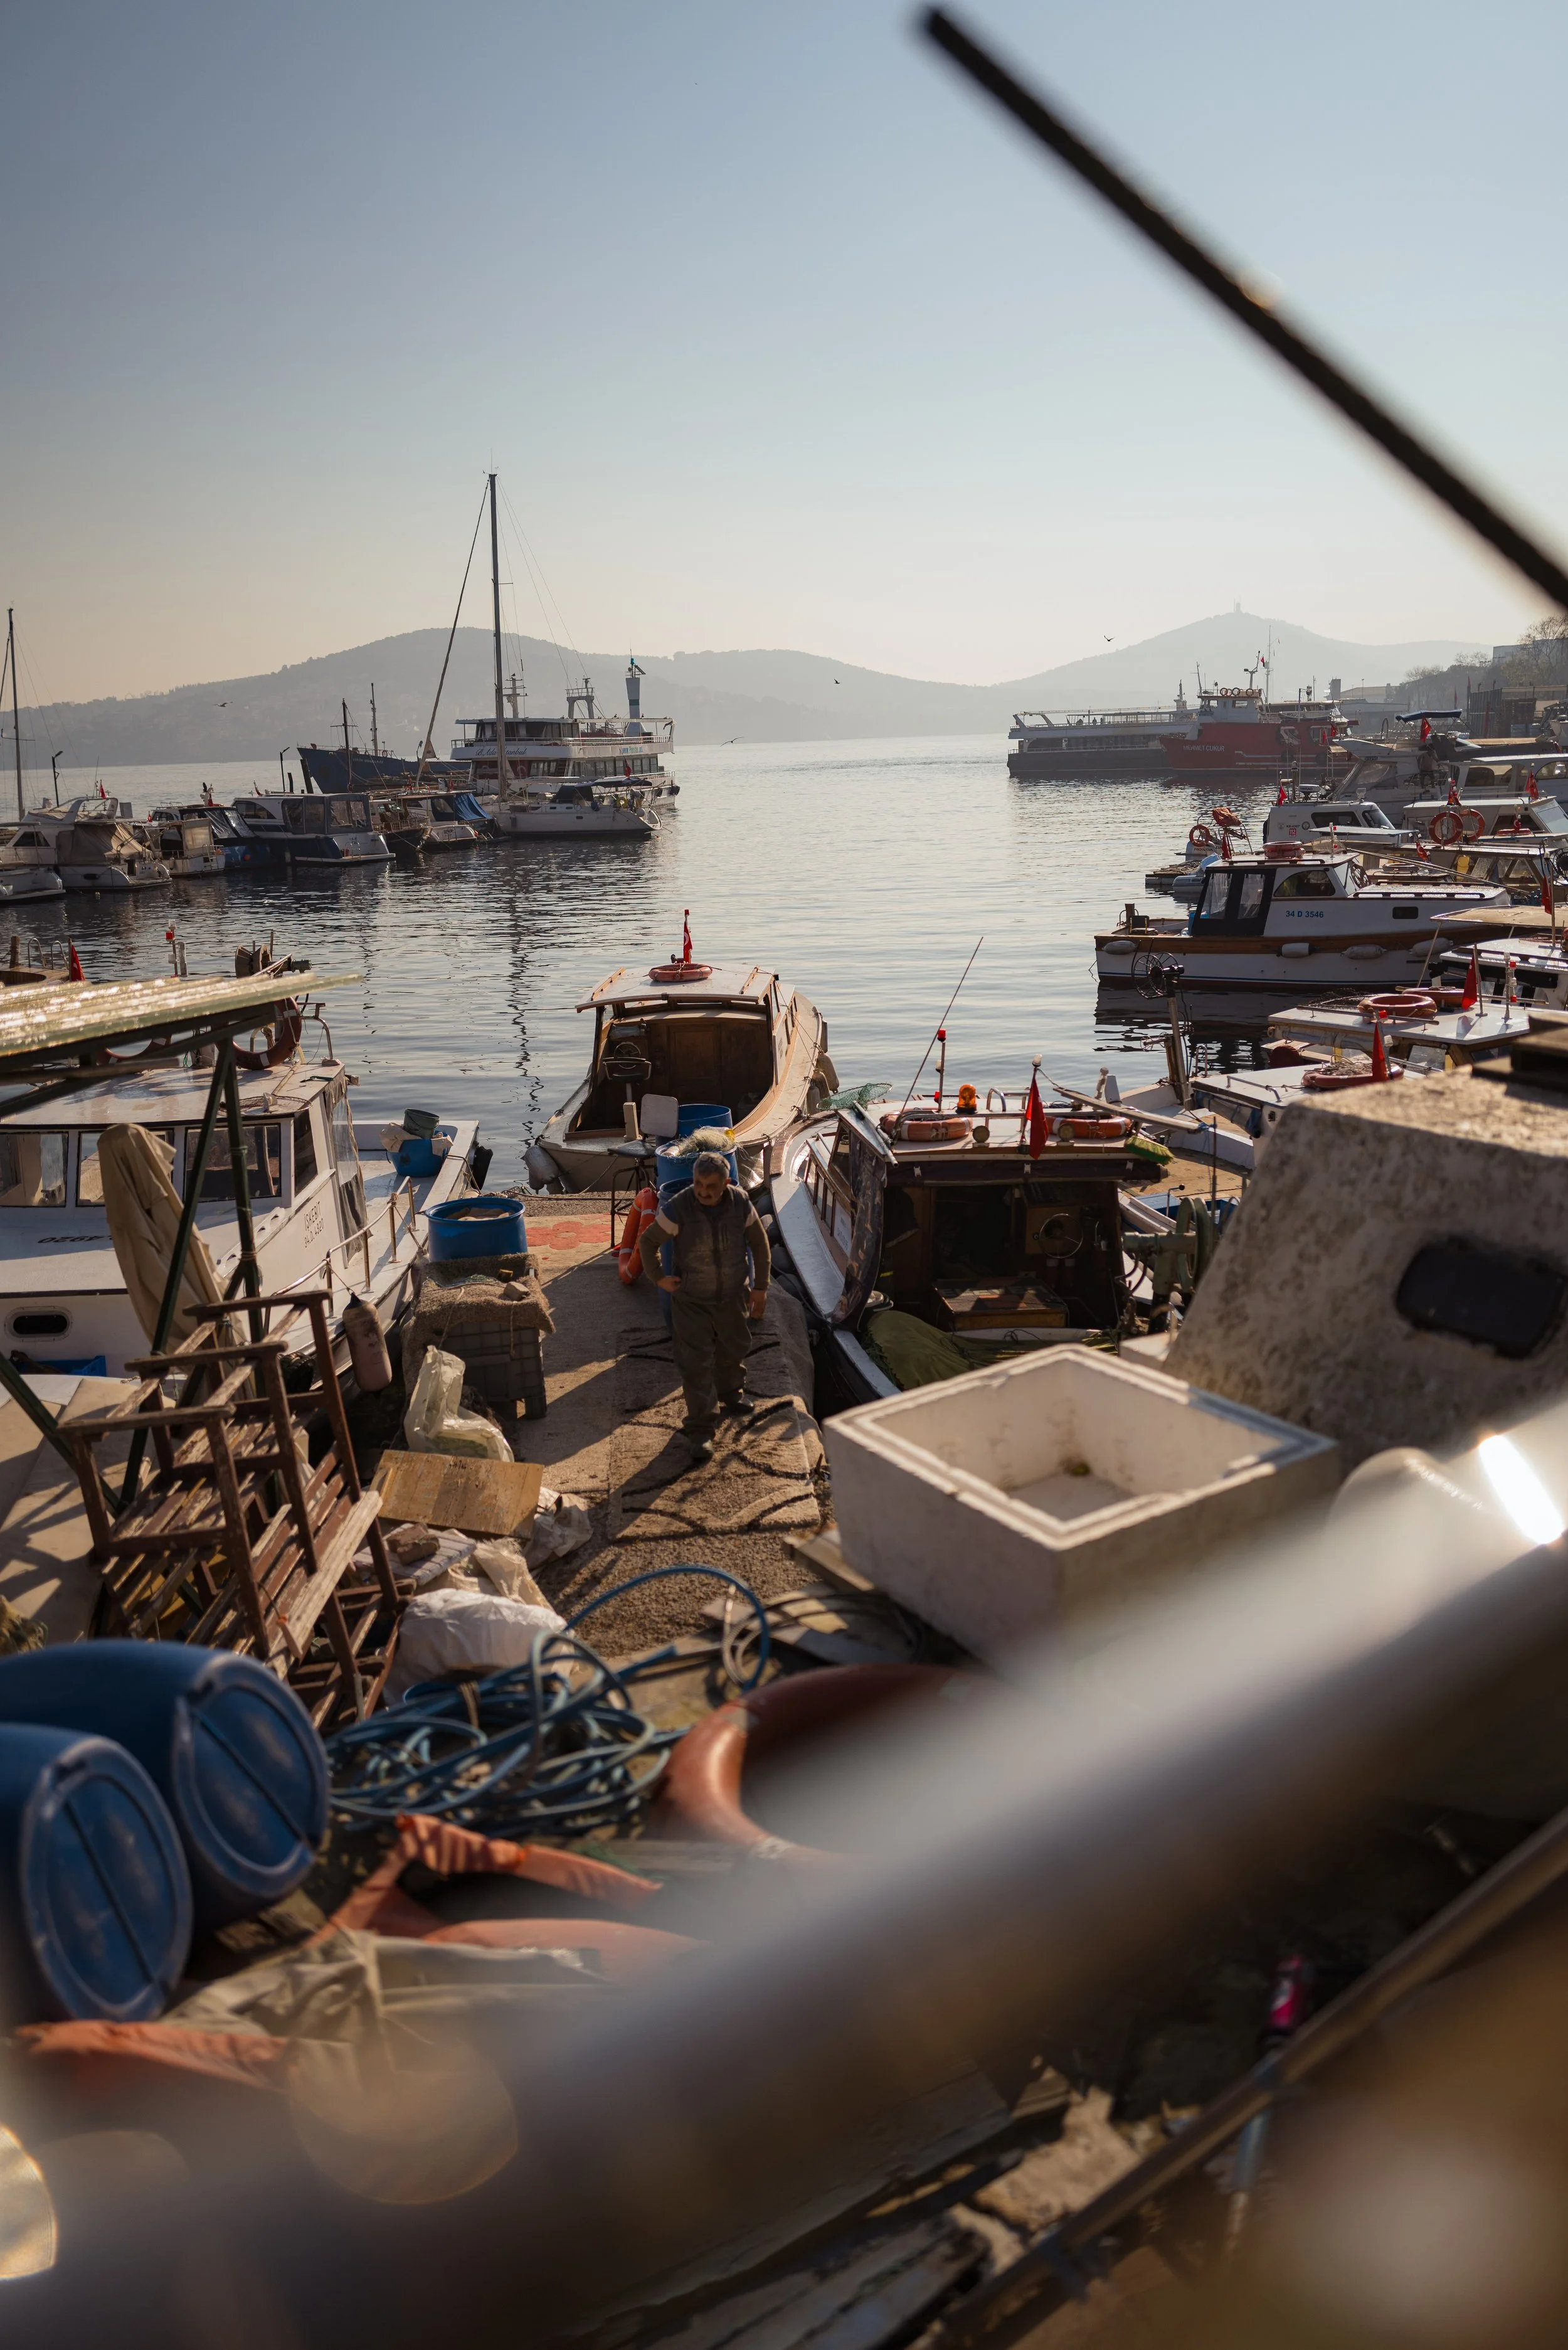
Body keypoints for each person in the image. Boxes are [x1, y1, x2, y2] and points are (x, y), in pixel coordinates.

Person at [639, 1151, 770, 1463]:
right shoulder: (679, 1207)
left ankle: (731, 1393)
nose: (703, 1191)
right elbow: (648, 1242)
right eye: (699, 1183)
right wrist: (659, 1278)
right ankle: (700, 1431)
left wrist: (761, 1288)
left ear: (726, 1183)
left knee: (734, 1348)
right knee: (696, 1365)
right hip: (692, 1302)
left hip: (732, 1296)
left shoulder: (740, 1204)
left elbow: (760, 1244)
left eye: (711, 1186)